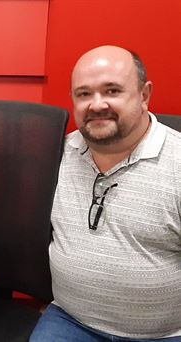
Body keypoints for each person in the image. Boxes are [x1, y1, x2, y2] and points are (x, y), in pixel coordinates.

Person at [30, 46, 181, 341]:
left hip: (164, 334)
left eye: (112, 90)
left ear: (144, 95)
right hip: (69, 320)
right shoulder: (56, 154)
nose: (97, 104)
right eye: (84, 94)